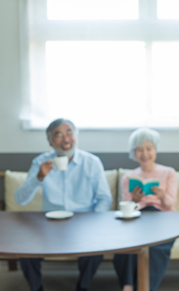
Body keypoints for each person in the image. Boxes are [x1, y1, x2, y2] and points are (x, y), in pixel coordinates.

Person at [14, 118, 113, 291]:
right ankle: (36, 288)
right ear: (50, 142)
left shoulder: (92, 162)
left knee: (96, 249)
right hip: (49, 224)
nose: (66, 139)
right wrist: (38, 177)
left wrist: (95, 222)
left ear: (76, 135)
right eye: (58, 135)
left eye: (69, 133)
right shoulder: (40, 162)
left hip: (84, 223)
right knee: (25, 249)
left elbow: (105, 198)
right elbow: (20, 199)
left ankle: (83, 287)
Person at [113, 127, 178, 291]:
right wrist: (134, 199)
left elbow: (171, 204)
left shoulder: (168, 172)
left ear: (155, 150)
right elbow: (125, 205)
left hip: (162, 217)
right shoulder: (128, 177)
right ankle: (127, 286)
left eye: (149, 148)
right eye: (140, 149)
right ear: (133, 153)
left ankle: (146, 288)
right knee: (125, 244)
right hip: (138, 216)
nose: (145, 153)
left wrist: (162, 196)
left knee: (156, 248)